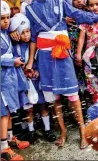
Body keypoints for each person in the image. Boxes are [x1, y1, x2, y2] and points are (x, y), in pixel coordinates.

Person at [20, 0, 98, 149]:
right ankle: (63, 131)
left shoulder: (60, 3)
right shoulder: (29, 9)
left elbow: (80, 15)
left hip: (62, 56)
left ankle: (84, 132)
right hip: (44, 58)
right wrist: (30, 62)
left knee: (73, 95)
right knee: (53, 99)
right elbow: (34, 38)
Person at [9, 13, 56, 144]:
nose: (26, 35)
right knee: (28, 108)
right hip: (23, 83)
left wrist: (37, 71)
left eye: (28, 31)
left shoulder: (34, 45)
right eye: (22, 33)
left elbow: (40, 61)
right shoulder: (14, 47)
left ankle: (47, 129)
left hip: (36, 80)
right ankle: (31, 131)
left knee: (43, 105)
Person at [1, 1, 30, 161]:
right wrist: (12, 62)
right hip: (2, 80)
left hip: (9, 79)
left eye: (7, 17)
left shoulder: (6, 33)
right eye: (2, 18)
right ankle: (3, 148)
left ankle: (10, 138)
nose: (6, 21)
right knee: (3, 113)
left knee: (10, 111)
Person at [65, 0, 88, 93]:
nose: (79, 1)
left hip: (87, 49)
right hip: (72, 50)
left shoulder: (89, 13)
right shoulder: (67, 15)